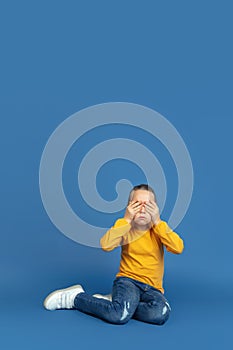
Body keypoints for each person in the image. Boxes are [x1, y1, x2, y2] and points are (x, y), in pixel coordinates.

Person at [43, 184, 184, 325]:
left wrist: (158, 221)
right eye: (136, 204)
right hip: (129, 282)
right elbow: (106, 245)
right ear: (129, 207)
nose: (142, 209)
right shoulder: (125, 227)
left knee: (161, 313)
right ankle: (74, 298)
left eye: (148, 205)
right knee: (119, 316)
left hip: (153, 288)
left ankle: (117, 303)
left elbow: (178, 248)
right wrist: (127, 219)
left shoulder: (159, 230)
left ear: (155, 209)